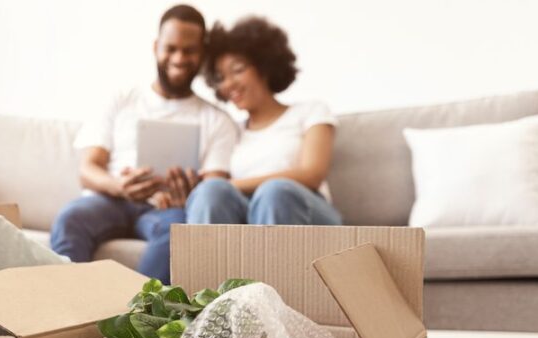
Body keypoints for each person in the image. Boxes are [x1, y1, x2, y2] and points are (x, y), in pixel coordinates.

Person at [50, 4, 236, 284]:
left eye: (189, 50)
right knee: (71, 218)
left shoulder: (217, 120)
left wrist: (188, 193)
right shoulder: (121, 99)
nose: (179, 58)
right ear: (156, 47)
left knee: (177, 233)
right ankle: (66, 315)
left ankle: (133, 319)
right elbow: (88, 169)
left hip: (168, 209)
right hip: (111, 199)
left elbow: (213, 191)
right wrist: (119, 186)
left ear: (203, 53)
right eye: (170, 48)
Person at [183, 16, 343, 227]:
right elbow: (214, 190)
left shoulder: (311, 111)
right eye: (221, 77)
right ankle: (207, 261)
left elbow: (312, 174)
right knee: (211, 191)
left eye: (238, 70)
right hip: (248, 215)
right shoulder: (230, 131)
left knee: (275, 191)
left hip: (306, 210)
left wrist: (233, 185)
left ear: (264, 66)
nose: (229, 83)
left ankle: (272, 260)